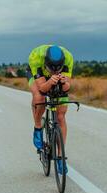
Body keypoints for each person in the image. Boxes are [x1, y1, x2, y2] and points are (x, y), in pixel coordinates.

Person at [27, 44, 73, 174]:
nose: (54, 72)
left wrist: (64, 82)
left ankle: (60, 157)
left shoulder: (68, 58)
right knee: (39, 98)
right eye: (51, 70)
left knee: (61, 116)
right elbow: (42, 88)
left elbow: (66, 89)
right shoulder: (36, 58)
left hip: (54, 78)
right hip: (36, 74)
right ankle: (37, 127)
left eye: (57, 70)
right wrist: (50, 82)